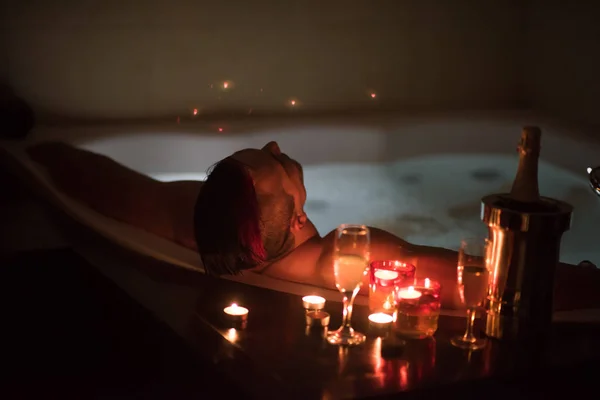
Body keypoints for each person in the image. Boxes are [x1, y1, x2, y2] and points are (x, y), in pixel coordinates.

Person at [25, 141, 600, 311]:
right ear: (297, 214)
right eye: (273, 159)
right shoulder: (347, 256)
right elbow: (497, 285)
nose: (277, 146)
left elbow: (106, 182)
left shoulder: (197, 221)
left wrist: (43, 153)